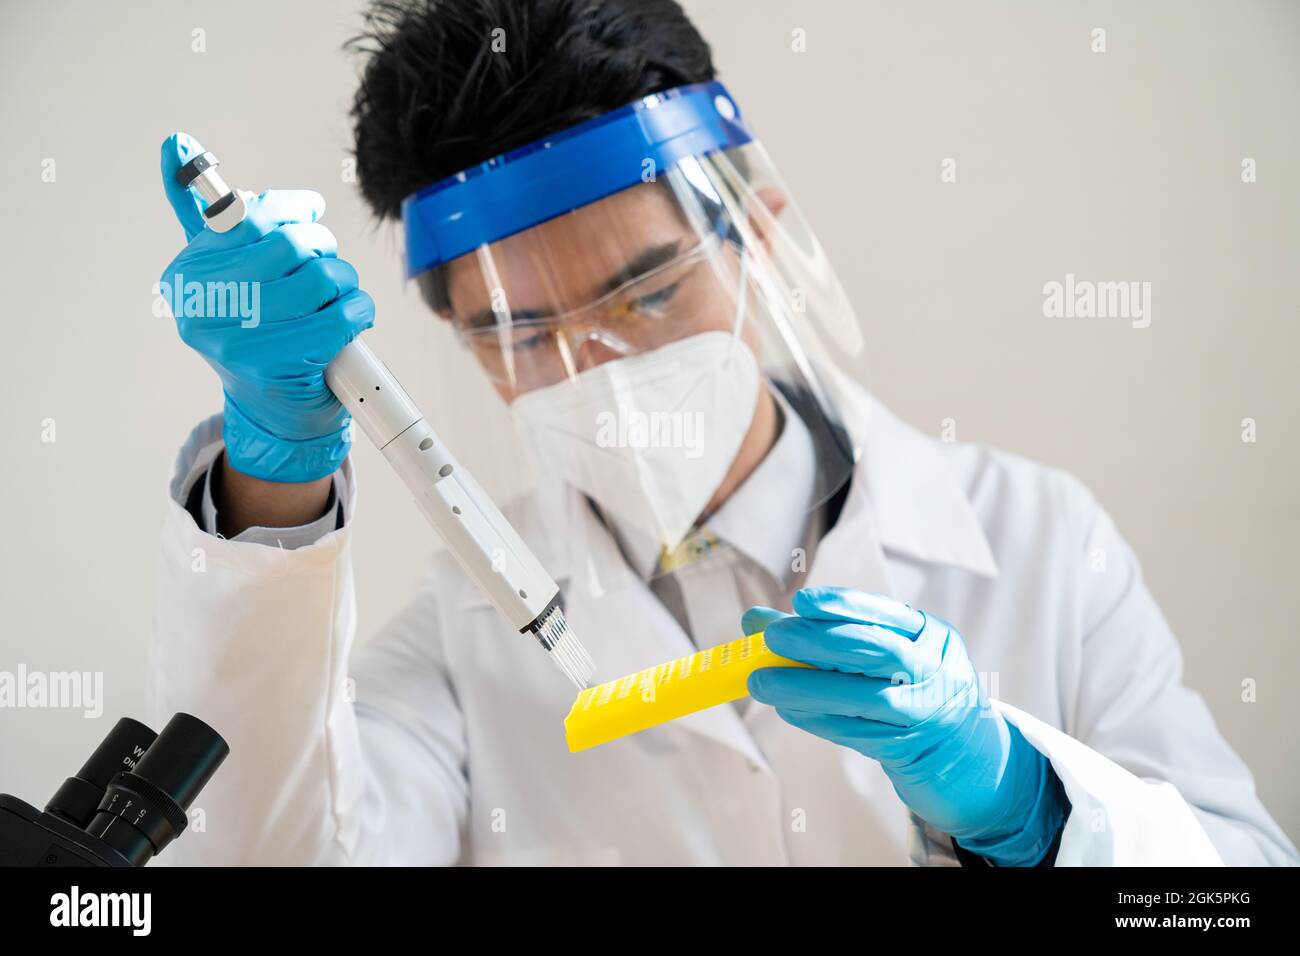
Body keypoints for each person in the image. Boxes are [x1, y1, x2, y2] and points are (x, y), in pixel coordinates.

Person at [147, 0, 1296, 866]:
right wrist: (269, 468)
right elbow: (274, 857)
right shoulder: (457, 642)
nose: (602, 367)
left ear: (756, 230)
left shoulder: (1043, 538)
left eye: (648, 292)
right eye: (523, 332)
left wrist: (1032, 808)